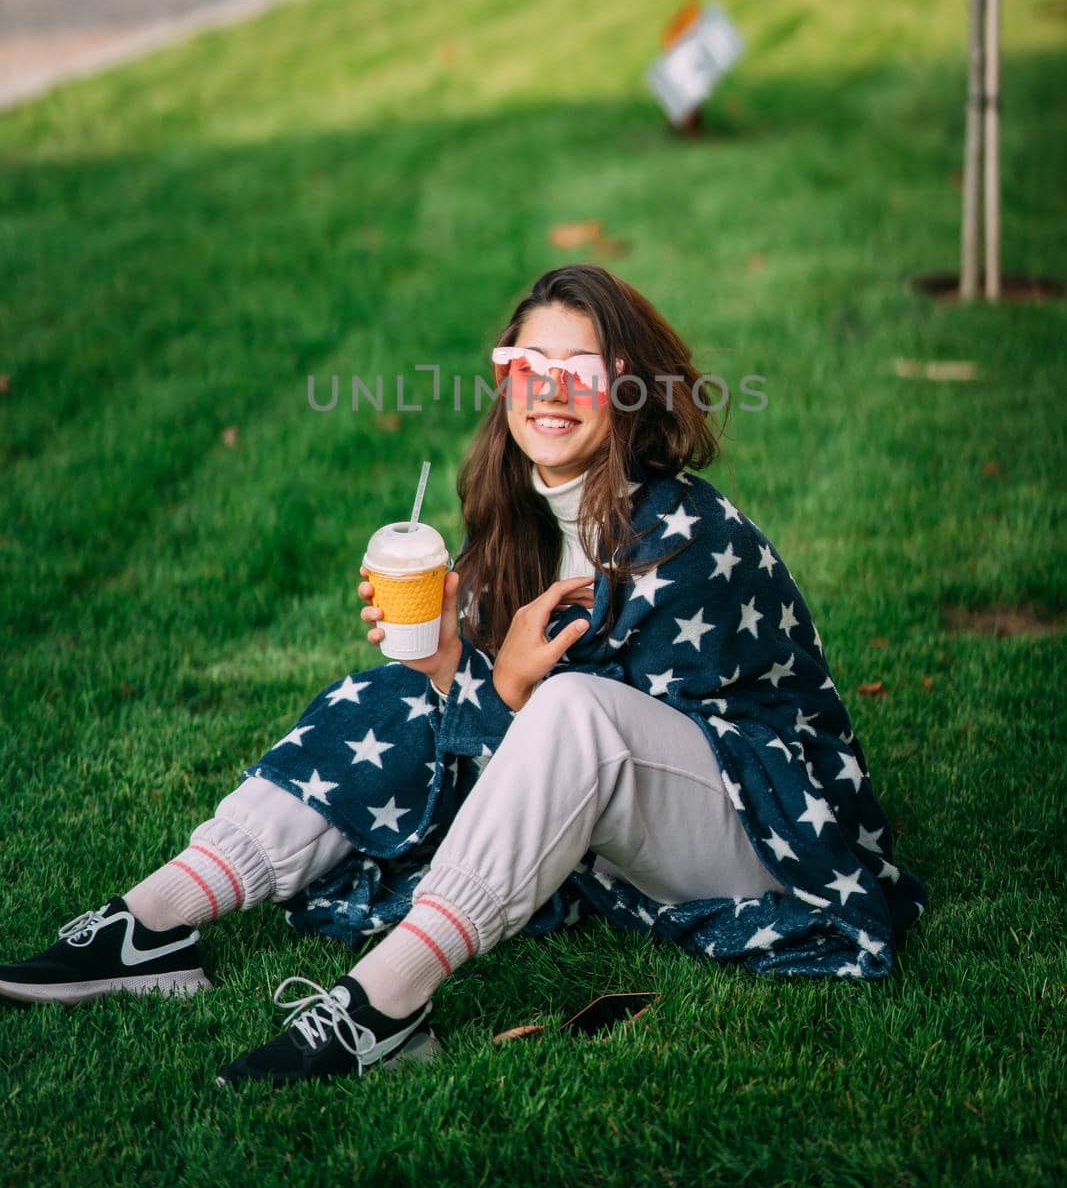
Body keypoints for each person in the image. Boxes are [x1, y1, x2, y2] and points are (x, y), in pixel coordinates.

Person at [0, 265, 928, 1088]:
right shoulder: (519, 510)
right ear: (503, 377)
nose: (550, 389)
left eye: (584, 368)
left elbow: (597, 754)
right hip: (621, 800)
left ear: (633, 393)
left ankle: (384, 1006)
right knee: (396, 692)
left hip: (762, 831)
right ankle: (150, 924)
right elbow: (498, 737)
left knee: (557, 702)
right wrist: (451, 662)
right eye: (529, 364)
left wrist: (496, 687)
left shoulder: (686, 539)